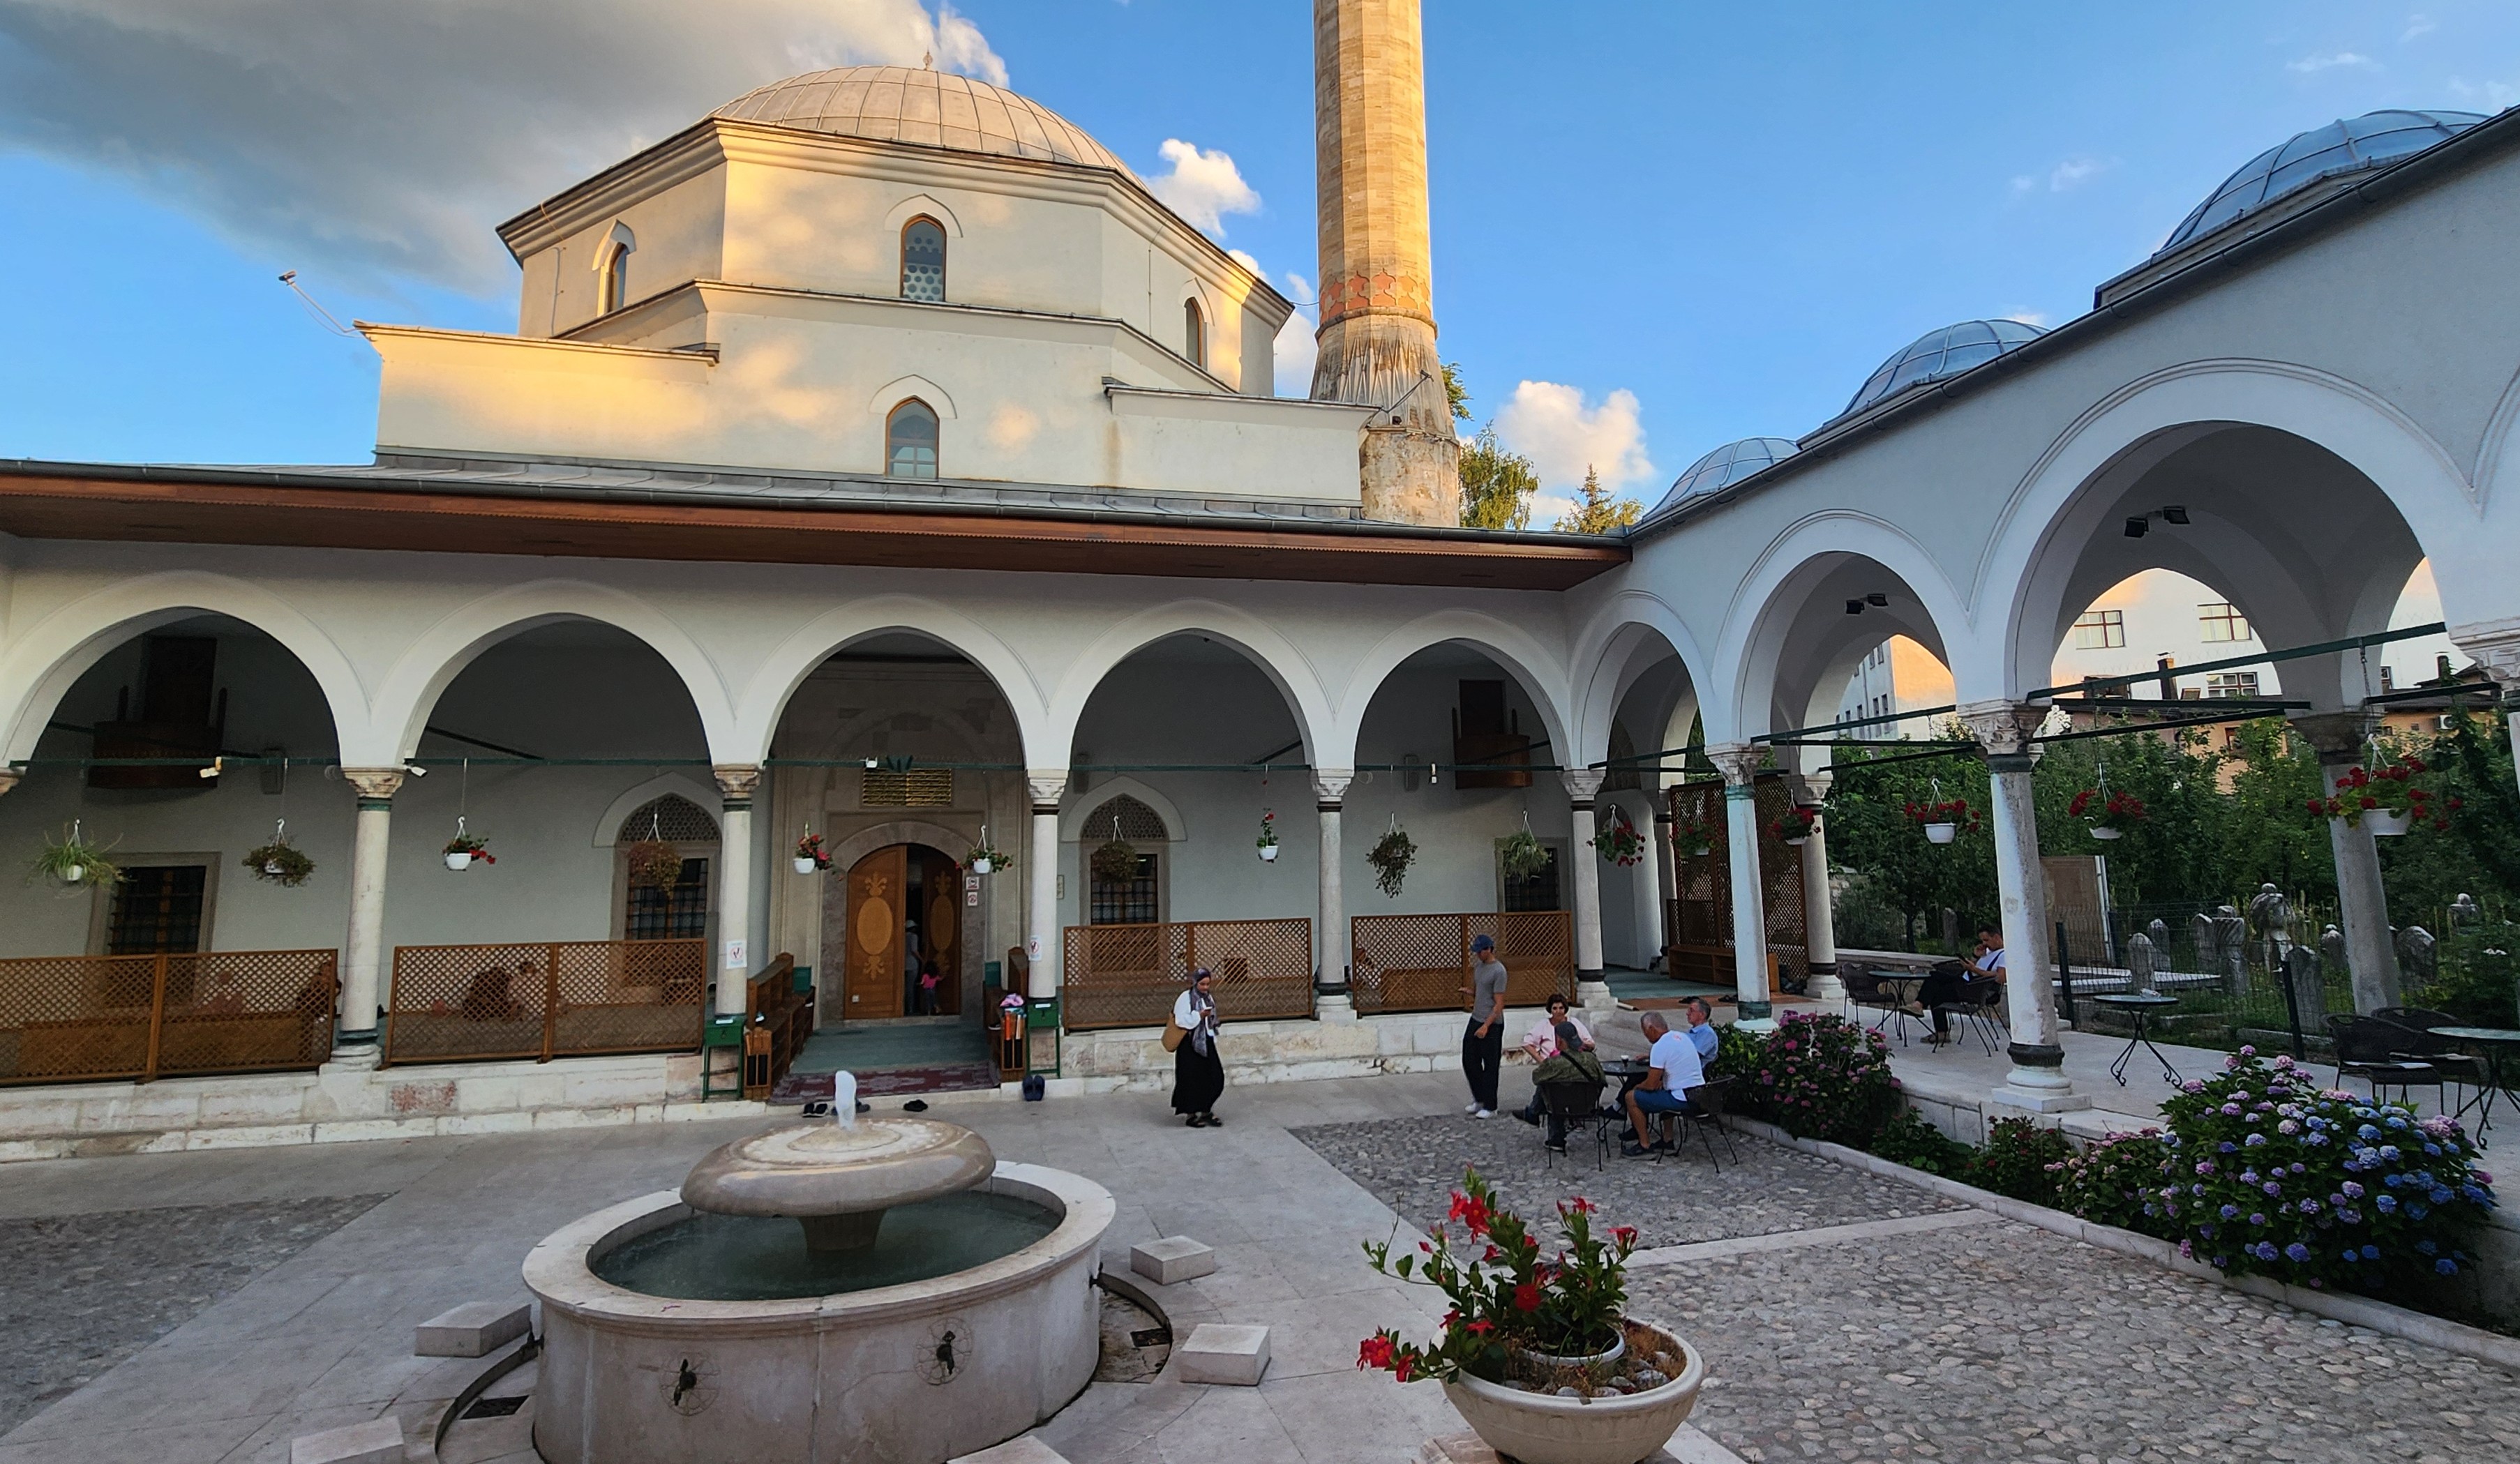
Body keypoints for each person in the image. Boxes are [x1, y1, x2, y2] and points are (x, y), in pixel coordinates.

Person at [1622, 1011, 1707, 1158]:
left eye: (1645, 1033)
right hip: (1699, 1094)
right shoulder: (1682, 1037)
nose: (1646, 1037)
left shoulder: (1660, 1046)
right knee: (1665, 1090)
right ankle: (1668, 1140)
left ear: (1651, 1029)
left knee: (1631, 1097)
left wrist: (1637, 1087)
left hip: (1683, 1098)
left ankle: (1644, 1145)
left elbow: (1651, 1084)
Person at [1527, 1020, 1605, 1154]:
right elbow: (1602, 1079)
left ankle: (1538, 1119)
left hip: (1560, 1107)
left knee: (1548, 1087)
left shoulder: (1553, 1063)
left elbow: (1536, 1078)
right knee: (1557, 1091)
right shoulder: (1592, 1059)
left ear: (1559, 1040)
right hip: (1587, 1105)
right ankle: (1533, 1113)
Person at [1922, 923, 2006, 1047]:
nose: (1984, 943)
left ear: (1997, 937)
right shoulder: (1987, 953)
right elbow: (1974, 968)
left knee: (1935, 986)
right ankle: (1922, 1009)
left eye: (1986, 940)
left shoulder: (2004, 955)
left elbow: (2000, 978)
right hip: (1967, 984)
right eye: (1982, 940)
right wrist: (1975, 957)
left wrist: (1974, 969)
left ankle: (1922, 1008)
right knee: (1935, 980)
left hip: (1977, 991)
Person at [1460, 933, 1508, 1119]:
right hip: (1476, 1018)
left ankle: (1491, 1105)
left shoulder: (1499, 971)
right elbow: (1482, 992)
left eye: (1481, 951)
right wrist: (1470, 992)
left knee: (1490, 1065)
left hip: (1492, 1022)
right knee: (1469, 1059)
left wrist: (1487, 1026)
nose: (1478, 955)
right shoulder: (1479, 968)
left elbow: (1499, 1003)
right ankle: (1479, 1097)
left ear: (1489, 950)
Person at [1170, 967, 1225, 1128]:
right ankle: (1191, 1114)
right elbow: (1180, 1020)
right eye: (1202, 984)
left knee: (1215, 1077)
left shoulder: (1208, 998)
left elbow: (1212, 1018)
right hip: (1190, 1043)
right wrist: (1198, 1016)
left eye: (1208, 984)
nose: (1205, 988)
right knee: (1191, 1079)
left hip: (1206, 1041)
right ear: (1195, 982)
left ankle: (1206, 1110)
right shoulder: (1186, 998)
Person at [1681, 997, 1718, 1061]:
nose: (1687, 1013)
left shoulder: (1707, 1033)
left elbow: (1694, 1056)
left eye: (1692, 1011)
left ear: (1702, 1015)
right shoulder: (1694, 1031)